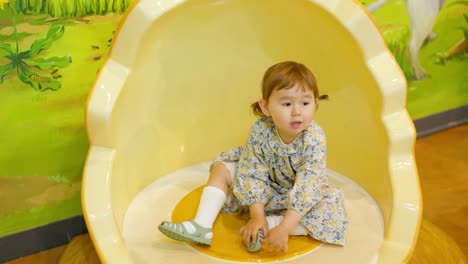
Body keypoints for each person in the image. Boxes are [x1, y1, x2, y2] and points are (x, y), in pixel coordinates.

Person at [158, 61, 348, 253]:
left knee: (329, 212)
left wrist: (285, 228)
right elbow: (252, 172)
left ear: (315, 103)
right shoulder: (261, 130)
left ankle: (273, 225)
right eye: (287, 104)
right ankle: (202, 225)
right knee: (222, 167)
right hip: (265, 189)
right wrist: (255, 215)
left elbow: (308, 187)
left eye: (305, 103)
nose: (297, 112)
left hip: (295, 195)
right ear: (266, 107)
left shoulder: (313, 138)